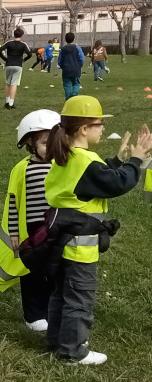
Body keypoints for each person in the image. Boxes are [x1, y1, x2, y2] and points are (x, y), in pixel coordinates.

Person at [43, 95, 152, 365]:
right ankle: (72, 350)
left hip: (61, 243)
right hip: (80, 247)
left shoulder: (67, 156)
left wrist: (118, 159)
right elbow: (116, 184)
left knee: (61, 294)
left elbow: (97, 178)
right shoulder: (84, 162)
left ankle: (57, 340)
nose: (102, 129)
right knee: (80, 297)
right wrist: (136, 160)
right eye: (99, 124)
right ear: (83, 129)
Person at [0, 109, 61, 331]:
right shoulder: (23, 170)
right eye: (43, 143)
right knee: (32, 274)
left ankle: (52, 310)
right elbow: (13, 203)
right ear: (30, 144)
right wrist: (14, 232)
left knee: (54, 272)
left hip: (55, 231)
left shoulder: (62, 166)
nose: (48, 149)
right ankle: (34, 315)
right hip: (32, 232)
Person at [0, 26, 32, 110]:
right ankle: (11, 103)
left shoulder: (9, 43)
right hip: (18, 65)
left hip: (9, 64)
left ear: (14, 35)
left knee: (8, 83)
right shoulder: (23, 44)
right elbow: (30, 54)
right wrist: (24, 59)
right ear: (21, 35)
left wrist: (5, 59)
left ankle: (6, 102)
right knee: (14, 84)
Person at [58, 32, 86, 99]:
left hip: (66, 70)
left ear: (65, 39)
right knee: (76, 83)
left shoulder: (63, 49)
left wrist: (62, 66)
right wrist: (80, 65)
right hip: (76, 69)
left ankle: (68, 99)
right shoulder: (77, 48)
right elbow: (82, 58)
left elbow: (60, 60)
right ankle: (74, 94)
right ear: (74, 39)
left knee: (67, 85)